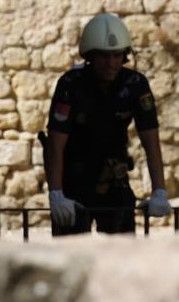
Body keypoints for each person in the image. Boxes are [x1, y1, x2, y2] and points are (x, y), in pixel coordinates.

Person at [44, 13, 171, 235]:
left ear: (125, 55)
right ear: (90, 56)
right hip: (73, 181)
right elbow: (55, 145)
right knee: (70, 258)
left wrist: (159, 190)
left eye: (116, 55)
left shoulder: (135, 85)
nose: (110, 63)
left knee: (122, 258)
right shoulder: (70, 85)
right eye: (103, 56)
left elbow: (151, 142)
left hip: (114, 180)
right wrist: (56, 194)